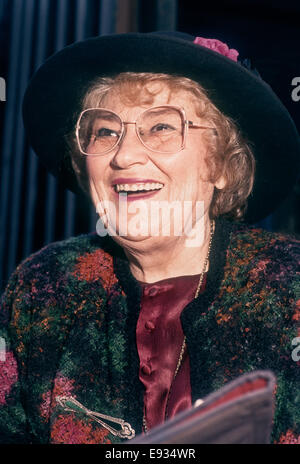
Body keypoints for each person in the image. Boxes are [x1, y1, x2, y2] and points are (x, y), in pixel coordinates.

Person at [0, 31, 299, 445]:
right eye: (104, 132)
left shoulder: (289, 288)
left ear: (223, 165)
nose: (123, 156)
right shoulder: (43, 288)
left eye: (160, 126)